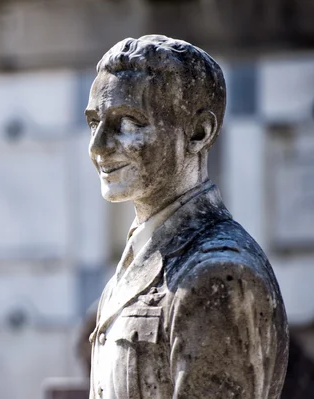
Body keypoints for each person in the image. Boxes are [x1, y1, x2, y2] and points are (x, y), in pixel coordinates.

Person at [85, 35, 288, 399]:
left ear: (198, 133)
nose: (98, 147)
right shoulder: (143, 256)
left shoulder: (217, 275)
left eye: (128, 123)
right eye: (94, 123)